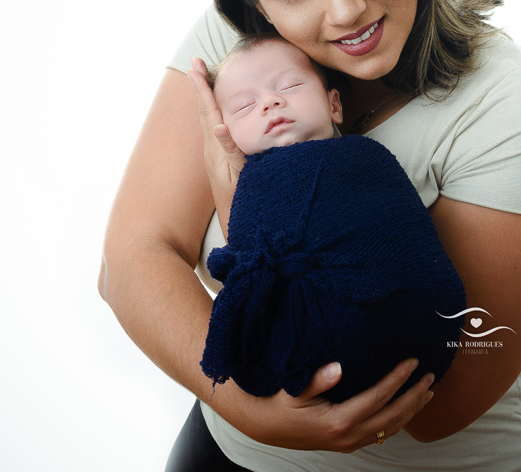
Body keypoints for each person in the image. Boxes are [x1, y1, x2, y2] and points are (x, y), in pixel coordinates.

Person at [98, 0, 521, 472]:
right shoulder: (238, 45)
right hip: (226, 449)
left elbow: (440, 406)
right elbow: (131, 259)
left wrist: (245, 205)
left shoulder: (515, 105)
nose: (345, 10)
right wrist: (247, 411)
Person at [198, 33, 466, 405]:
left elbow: (400, 236)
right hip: (312, 370)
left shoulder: (366, 157)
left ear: (334, 104)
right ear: (226, 136)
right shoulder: (250, 184)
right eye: (245, 105)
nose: (271, 102)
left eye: (289, 86)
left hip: (418, 324)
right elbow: (251, 268)